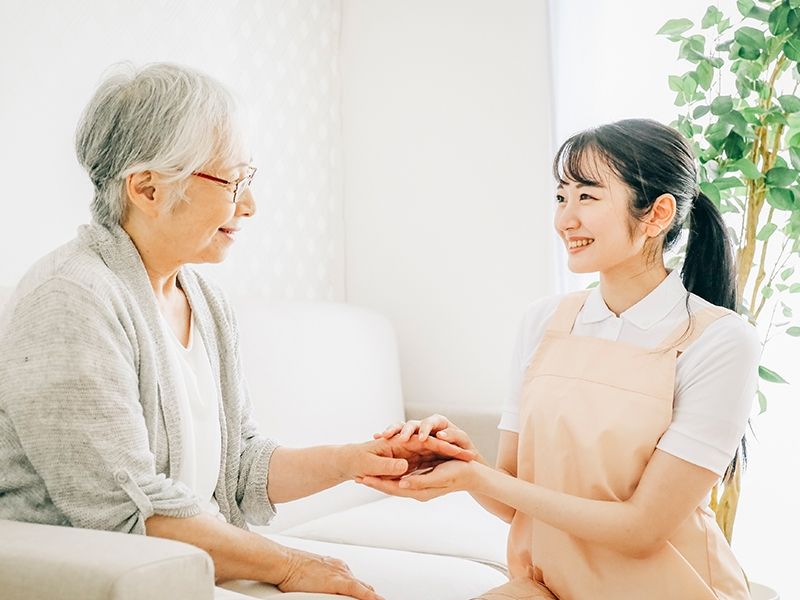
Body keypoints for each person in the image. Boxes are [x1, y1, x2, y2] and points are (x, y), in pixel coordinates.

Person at [0, 62, 471, 600]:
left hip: (191, 563)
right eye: (232, 181)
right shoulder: (70, 300)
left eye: (250, 178)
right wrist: (291, 567)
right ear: (148, 188)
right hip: (106, 576)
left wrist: (357, 460)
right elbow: (128, 513)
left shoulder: (202, 297)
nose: (249, 205)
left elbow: (239, 467)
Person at [366, 119, 760, 599]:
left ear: (657, 214)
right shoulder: (544, 322)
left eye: (588, 197)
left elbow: (642, 530)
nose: (565, 219)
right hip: (547, 586)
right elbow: (515, 503)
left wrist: (478, 476)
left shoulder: (718, 340)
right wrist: (463, 460)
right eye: (561, 197)